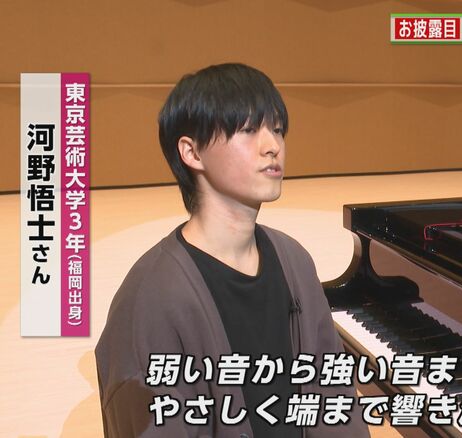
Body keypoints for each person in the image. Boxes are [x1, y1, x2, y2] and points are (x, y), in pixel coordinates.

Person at [95, 63, 369, 438]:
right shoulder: (150, 300)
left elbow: (334, 395)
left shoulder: (295, 261)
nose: (273, 146)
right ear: (192, 152)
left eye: (277, 129)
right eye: (249, 129)